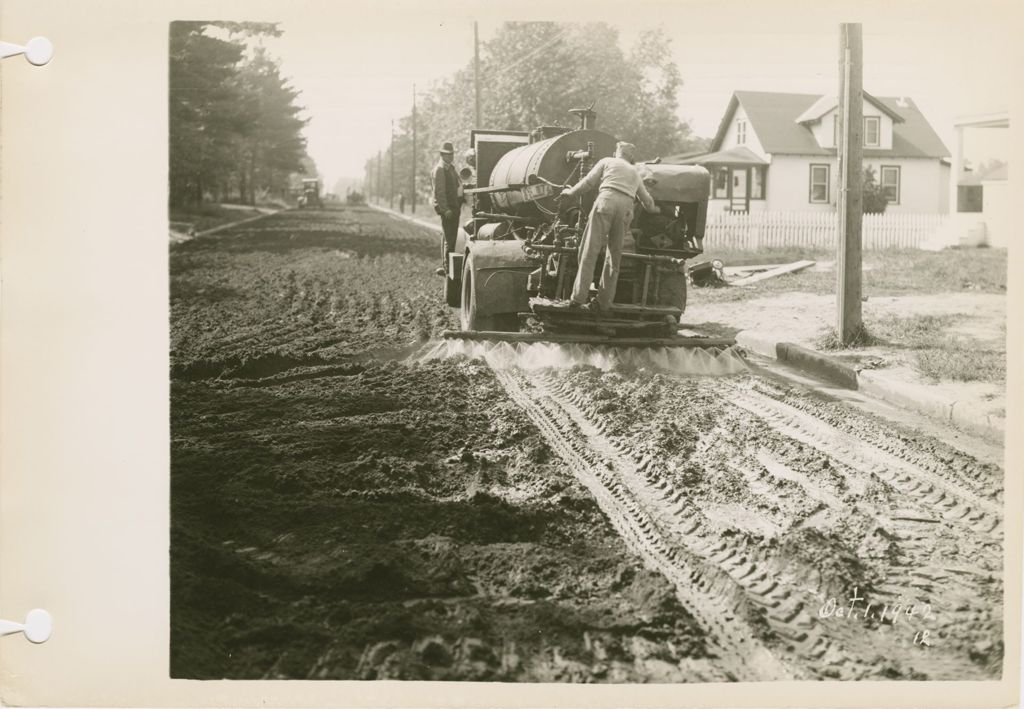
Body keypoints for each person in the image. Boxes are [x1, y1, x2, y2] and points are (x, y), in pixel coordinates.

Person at [558, 142, 658, 311]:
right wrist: (656, 209)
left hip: (606, 201)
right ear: (631, 157)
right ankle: (604, 302)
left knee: (589, 250)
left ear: (615, 153)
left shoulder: (607, 161)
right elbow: (647, 203)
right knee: (614, 256)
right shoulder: (635, 172)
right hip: (626, 208)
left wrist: (570, 192)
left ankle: (578, 298)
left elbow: (587, 183)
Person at [431, 141, 462, 276]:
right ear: (442, 155)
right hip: (449, 209)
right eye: (447, 154)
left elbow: (458, 185)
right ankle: (447, 267)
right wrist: (445, 209)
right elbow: (439, 192)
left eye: (452, 154)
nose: (450, 156)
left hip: (455, 207)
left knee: (452, 237)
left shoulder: (451, 168)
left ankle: (448, 266)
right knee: (449, 239)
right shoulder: (440, 170)